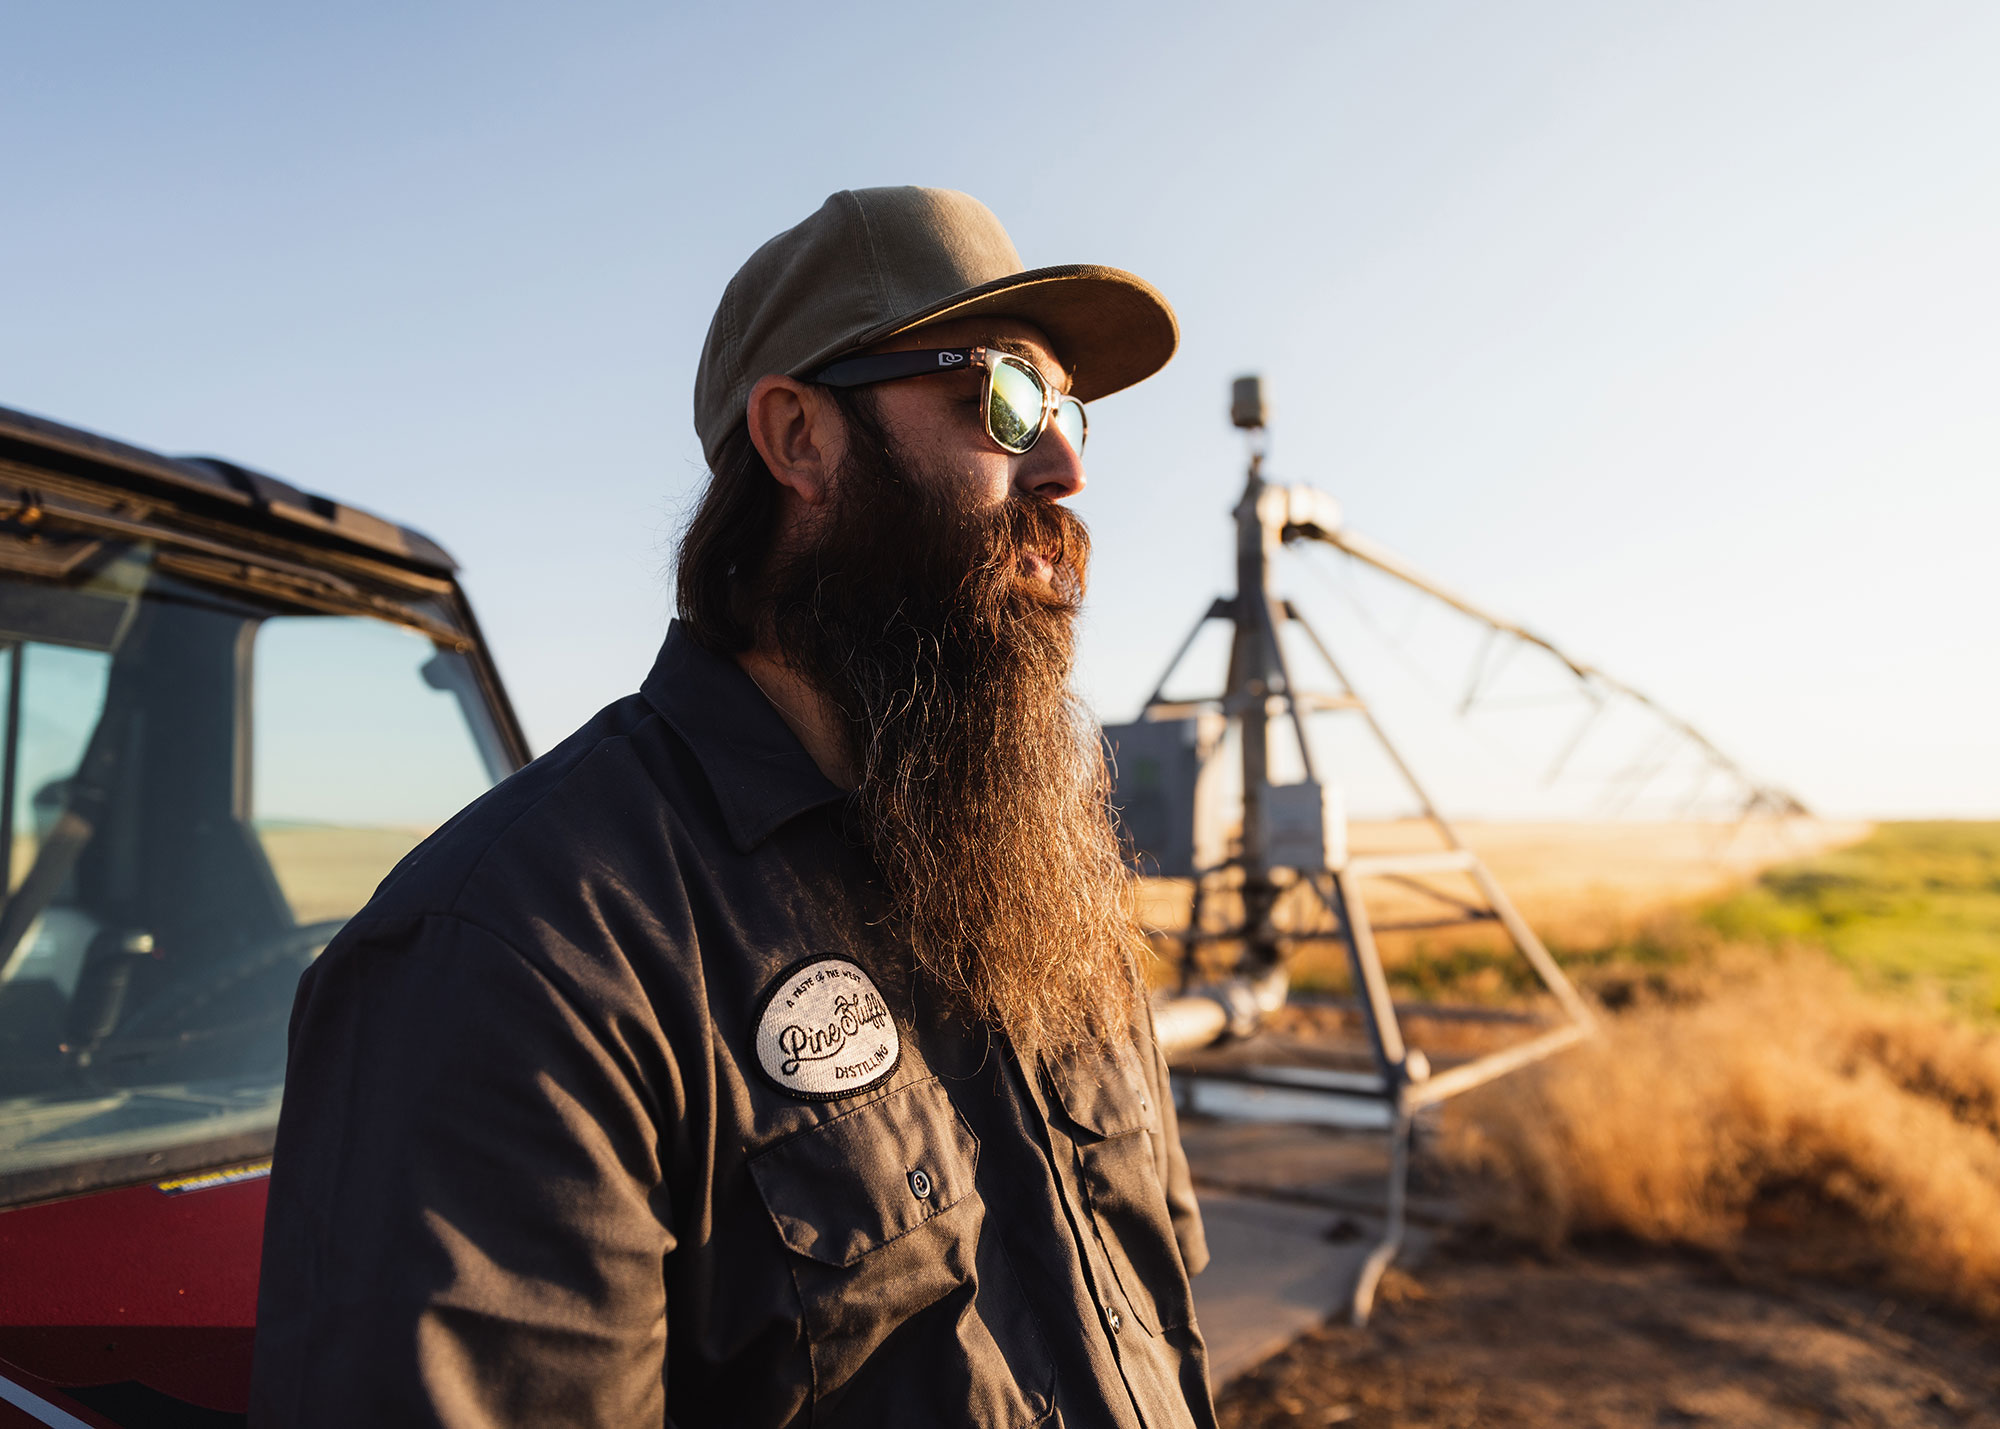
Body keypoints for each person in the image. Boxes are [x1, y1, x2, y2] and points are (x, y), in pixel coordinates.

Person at [251, 185, 1214, 1428]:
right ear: (799, 437)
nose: (1065, 466)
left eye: (1067, 411)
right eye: (1004, 397)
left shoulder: (1046, 881)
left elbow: (1156, 1319)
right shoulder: (524, 953)